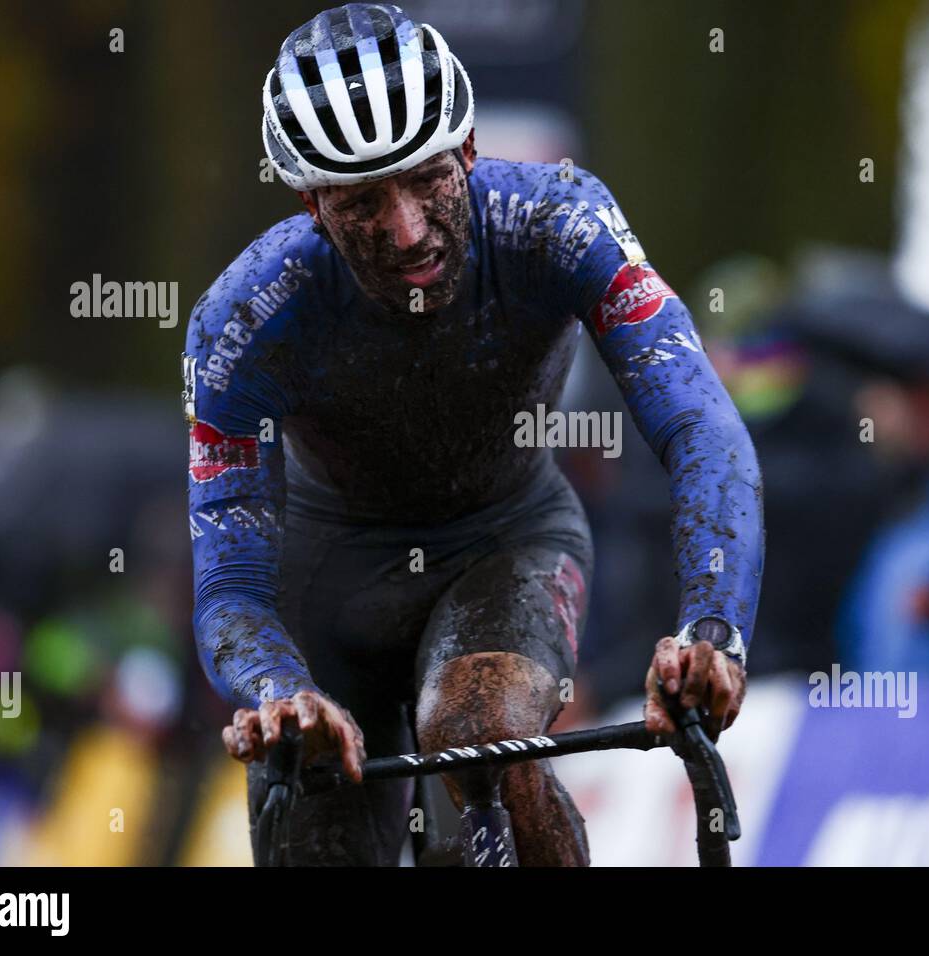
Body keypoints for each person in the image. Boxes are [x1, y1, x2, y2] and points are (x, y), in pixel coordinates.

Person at [184, 3, 763, 865]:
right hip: (327, 580)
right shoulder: (245, 317)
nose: (408, 229)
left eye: (426, 180)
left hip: (506, 540)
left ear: (468, 150)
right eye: (361, 204)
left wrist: (710, 633)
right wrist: (279, 692)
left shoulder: (560, 223)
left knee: (476, 730)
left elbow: (702, 430)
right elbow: (229, 575)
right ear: (310, 202)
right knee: (318, 825)